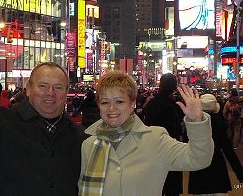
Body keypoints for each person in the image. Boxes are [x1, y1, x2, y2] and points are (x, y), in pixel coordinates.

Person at [0, 63, 87, 196]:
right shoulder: (1, 121)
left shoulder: (79, 136)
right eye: (43, 86)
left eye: (58, 88)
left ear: (66, 92)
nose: (50, 93)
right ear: (28, 89)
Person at [78, 70, 214, 196]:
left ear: (132, 104)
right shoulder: (88, 145)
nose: (111, 108)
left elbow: (199, 158)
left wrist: (197, 121)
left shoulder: (155, 140)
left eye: (119, 101)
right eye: (105, 102)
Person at [188, 93, 243, 195]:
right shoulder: (219, 124)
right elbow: (228, 151)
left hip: (198, 169)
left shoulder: (192, 124)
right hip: (217, 168)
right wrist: (240, 174)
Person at [145, 73, 185, 196]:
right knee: (171, 188)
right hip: (170, 150)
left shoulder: (151, 104)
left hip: (152, 149)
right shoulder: (172, 106)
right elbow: (175, 130)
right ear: (174, 87)